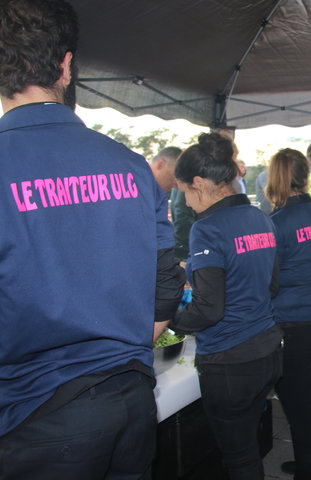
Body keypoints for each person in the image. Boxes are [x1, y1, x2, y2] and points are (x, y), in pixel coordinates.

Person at [0, 1, 186, 477]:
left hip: (34, 412)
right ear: (65, 66)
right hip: (130, 398)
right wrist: (121, 349)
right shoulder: (130, 166)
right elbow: (167, 281)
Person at [171, 133, 283, 479]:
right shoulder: (261, 218)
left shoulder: (206, 229)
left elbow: (208, 309)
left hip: (229, 363)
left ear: (201, 183)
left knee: (238, 458)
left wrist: (170, 320)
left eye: (185, 191)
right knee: (247, 448)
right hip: (267, 352)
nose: (186, 202)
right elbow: (273, 285)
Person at [265, 148, 311, 480]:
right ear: (306, 178)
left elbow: (269, 280)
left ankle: (306, 472)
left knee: (298, 404)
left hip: (292, 324)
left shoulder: (274, 224)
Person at [170, 186, 197, 261]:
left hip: (182, 244)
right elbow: (182, 214)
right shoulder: (186, 184)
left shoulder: (178, 186)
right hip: (186, 247)